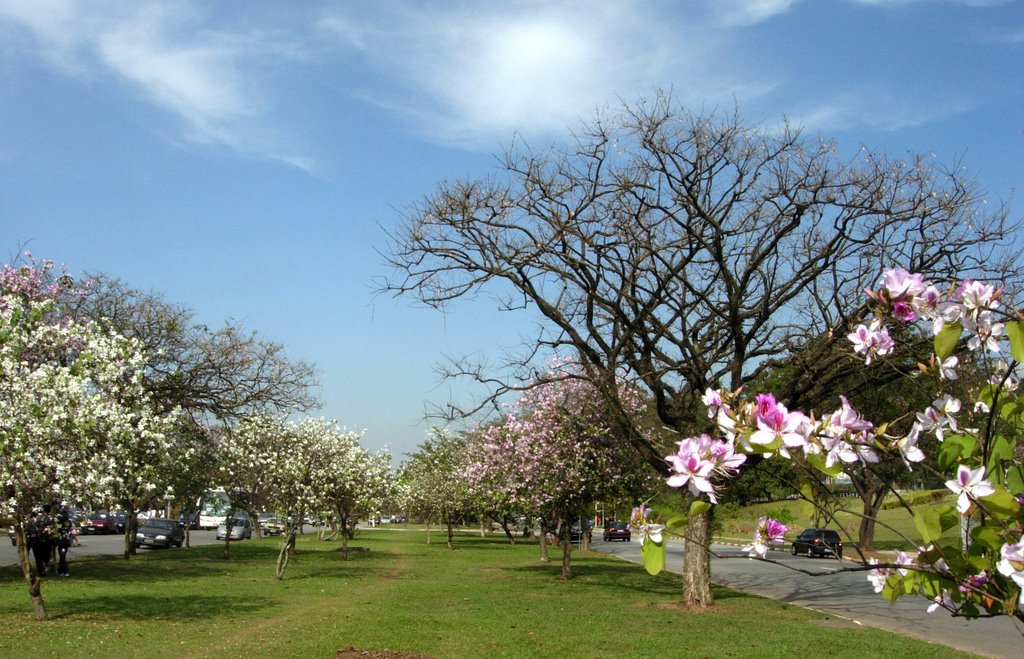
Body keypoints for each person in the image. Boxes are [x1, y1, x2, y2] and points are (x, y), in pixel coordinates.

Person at [29, 506, 54, 577]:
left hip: (37, 540)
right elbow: (51, 529)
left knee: (39, 557)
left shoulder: (34, 519)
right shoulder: (50, 518)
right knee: (46, 555)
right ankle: (44, 568)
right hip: (46, 540)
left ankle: (41, 570)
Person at [55, 510, 72, 576]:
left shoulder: (60, 523)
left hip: (62, 542)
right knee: (62, 556)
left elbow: (58, 530)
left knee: (62, 556)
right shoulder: (68, 522)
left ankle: (64, 571)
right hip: (65, 542)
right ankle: (60, 570)